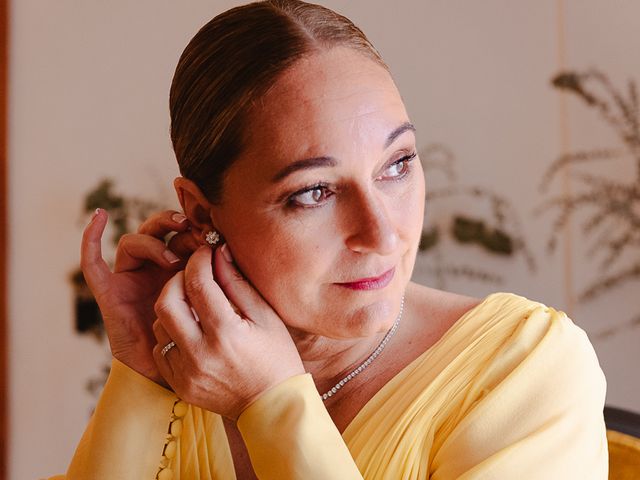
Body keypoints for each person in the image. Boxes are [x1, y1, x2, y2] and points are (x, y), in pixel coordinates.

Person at [49, 1, 609, 478]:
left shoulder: (525, 371)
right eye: (314, 192)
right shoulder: (193, 366)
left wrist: (270, 407)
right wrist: (143, 372)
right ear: (199, 213)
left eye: (398, 164)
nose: (383, 232)